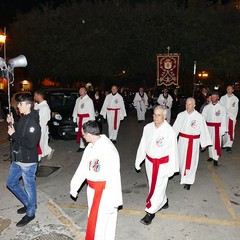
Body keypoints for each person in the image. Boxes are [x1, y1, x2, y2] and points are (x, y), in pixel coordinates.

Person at [70, 120, 122, 240]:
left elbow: (114, 176)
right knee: (95, 219)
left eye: (83, 134)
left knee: (103, 221)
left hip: (105, 192)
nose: (82, 136)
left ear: (89, 134)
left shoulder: (109, 149)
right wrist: (74, 186)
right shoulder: (90, 146)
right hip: (93, 190)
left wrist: (114, 199)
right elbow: (83, 167)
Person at [135, 106, 179, 225]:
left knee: (157, 187)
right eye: (154, 114)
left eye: (159, 115)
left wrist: (172, 168)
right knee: (153, 185)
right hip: (150, 163)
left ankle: (150, 212)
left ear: (164, 117)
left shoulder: (169, 131)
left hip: (163, 164)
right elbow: (143, 144)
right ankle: (164, 201)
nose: (155, 117)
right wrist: (139, 160)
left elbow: (173, 150)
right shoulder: (147, 128)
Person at [6, 93, 41, 227]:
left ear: (27, 105)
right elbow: (19, 133)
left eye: (20, 104)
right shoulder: (23, 118)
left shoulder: (33, 122)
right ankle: (29, 203)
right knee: (11, 183)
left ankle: (31, 212)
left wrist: (13, 134)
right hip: (18, 159)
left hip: (27, 161)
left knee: (29, 187)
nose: (18, 106)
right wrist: (11, 123)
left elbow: (31, 144)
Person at [173, 98, 212, 190]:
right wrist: (170, 140)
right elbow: (175, 129)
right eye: (186, 104)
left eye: (190, 104)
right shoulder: (181, 115)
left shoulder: (199, 117)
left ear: (194, 105)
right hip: (182, 141)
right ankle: (183, 176)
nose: (187, 106)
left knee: (191, 161)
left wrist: (204, 143)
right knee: (182, 160)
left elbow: (203, 130)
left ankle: (189, 181)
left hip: (193, 142)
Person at [202, 91, 227, 166]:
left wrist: (223, 129)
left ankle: (215, 158)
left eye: (214, 97)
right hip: (209, 127)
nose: (213, 98)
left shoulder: (221, 107)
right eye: (212, 97)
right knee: (209, 142)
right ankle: (211, 156)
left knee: (216, 142)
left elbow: (224, 119)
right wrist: (203, 128)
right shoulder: (207, 107)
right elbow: (203, 117)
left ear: (218, 97)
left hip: (217, 128)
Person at [72, 87, 95, 152]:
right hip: (79, 118)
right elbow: (75, 109)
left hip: (86, 119)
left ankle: (88, 146)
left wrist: (92, 120)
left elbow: (91, 110)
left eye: (82, 90)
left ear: (86, 92)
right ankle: (82, 146)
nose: (81, 91)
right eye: (80, 90)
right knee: (81, 132)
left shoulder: (89, 100)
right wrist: (74, 117)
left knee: (86, 133)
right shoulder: (78, 99)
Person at [34, 90, 55, 160]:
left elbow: (43, 119)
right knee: (42, 142)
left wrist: (38, 126)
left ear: (39, 96)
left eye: (35, 96)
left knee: (39, 142)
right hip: (36, 126)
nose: (34, 97)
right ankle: (49, 151)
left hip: (41, 127)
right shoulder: (37, 105)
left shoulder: (45, 107)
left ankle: (38, 159)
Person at [220, 85, 239, 152]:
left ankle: (229, 145)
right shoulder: (222, 98)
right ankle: (225, 144)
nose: (228, 90)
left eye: (230, 89)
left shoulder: (235, 99)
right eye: (227, 89)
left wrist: (229, 114)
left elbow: (235, 109)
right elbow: (221, 107)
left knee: (230, 131)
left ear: (232, 90)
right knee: (224, 130)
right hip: (223, 117)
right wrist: (224, 114)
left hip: (231, 117)